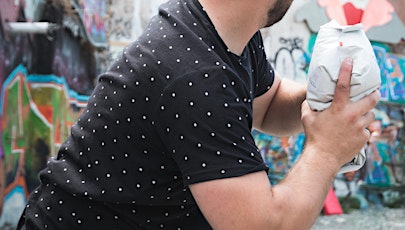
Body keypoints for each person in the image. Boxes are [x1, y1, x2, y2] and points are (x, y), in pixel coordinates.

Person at [17, 0, 380, 229]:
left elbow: (268, 106)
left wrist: (327, 98)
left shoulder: (221, 31)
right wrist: (327, 151)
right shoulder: (193, 72)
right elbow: (265, 225)